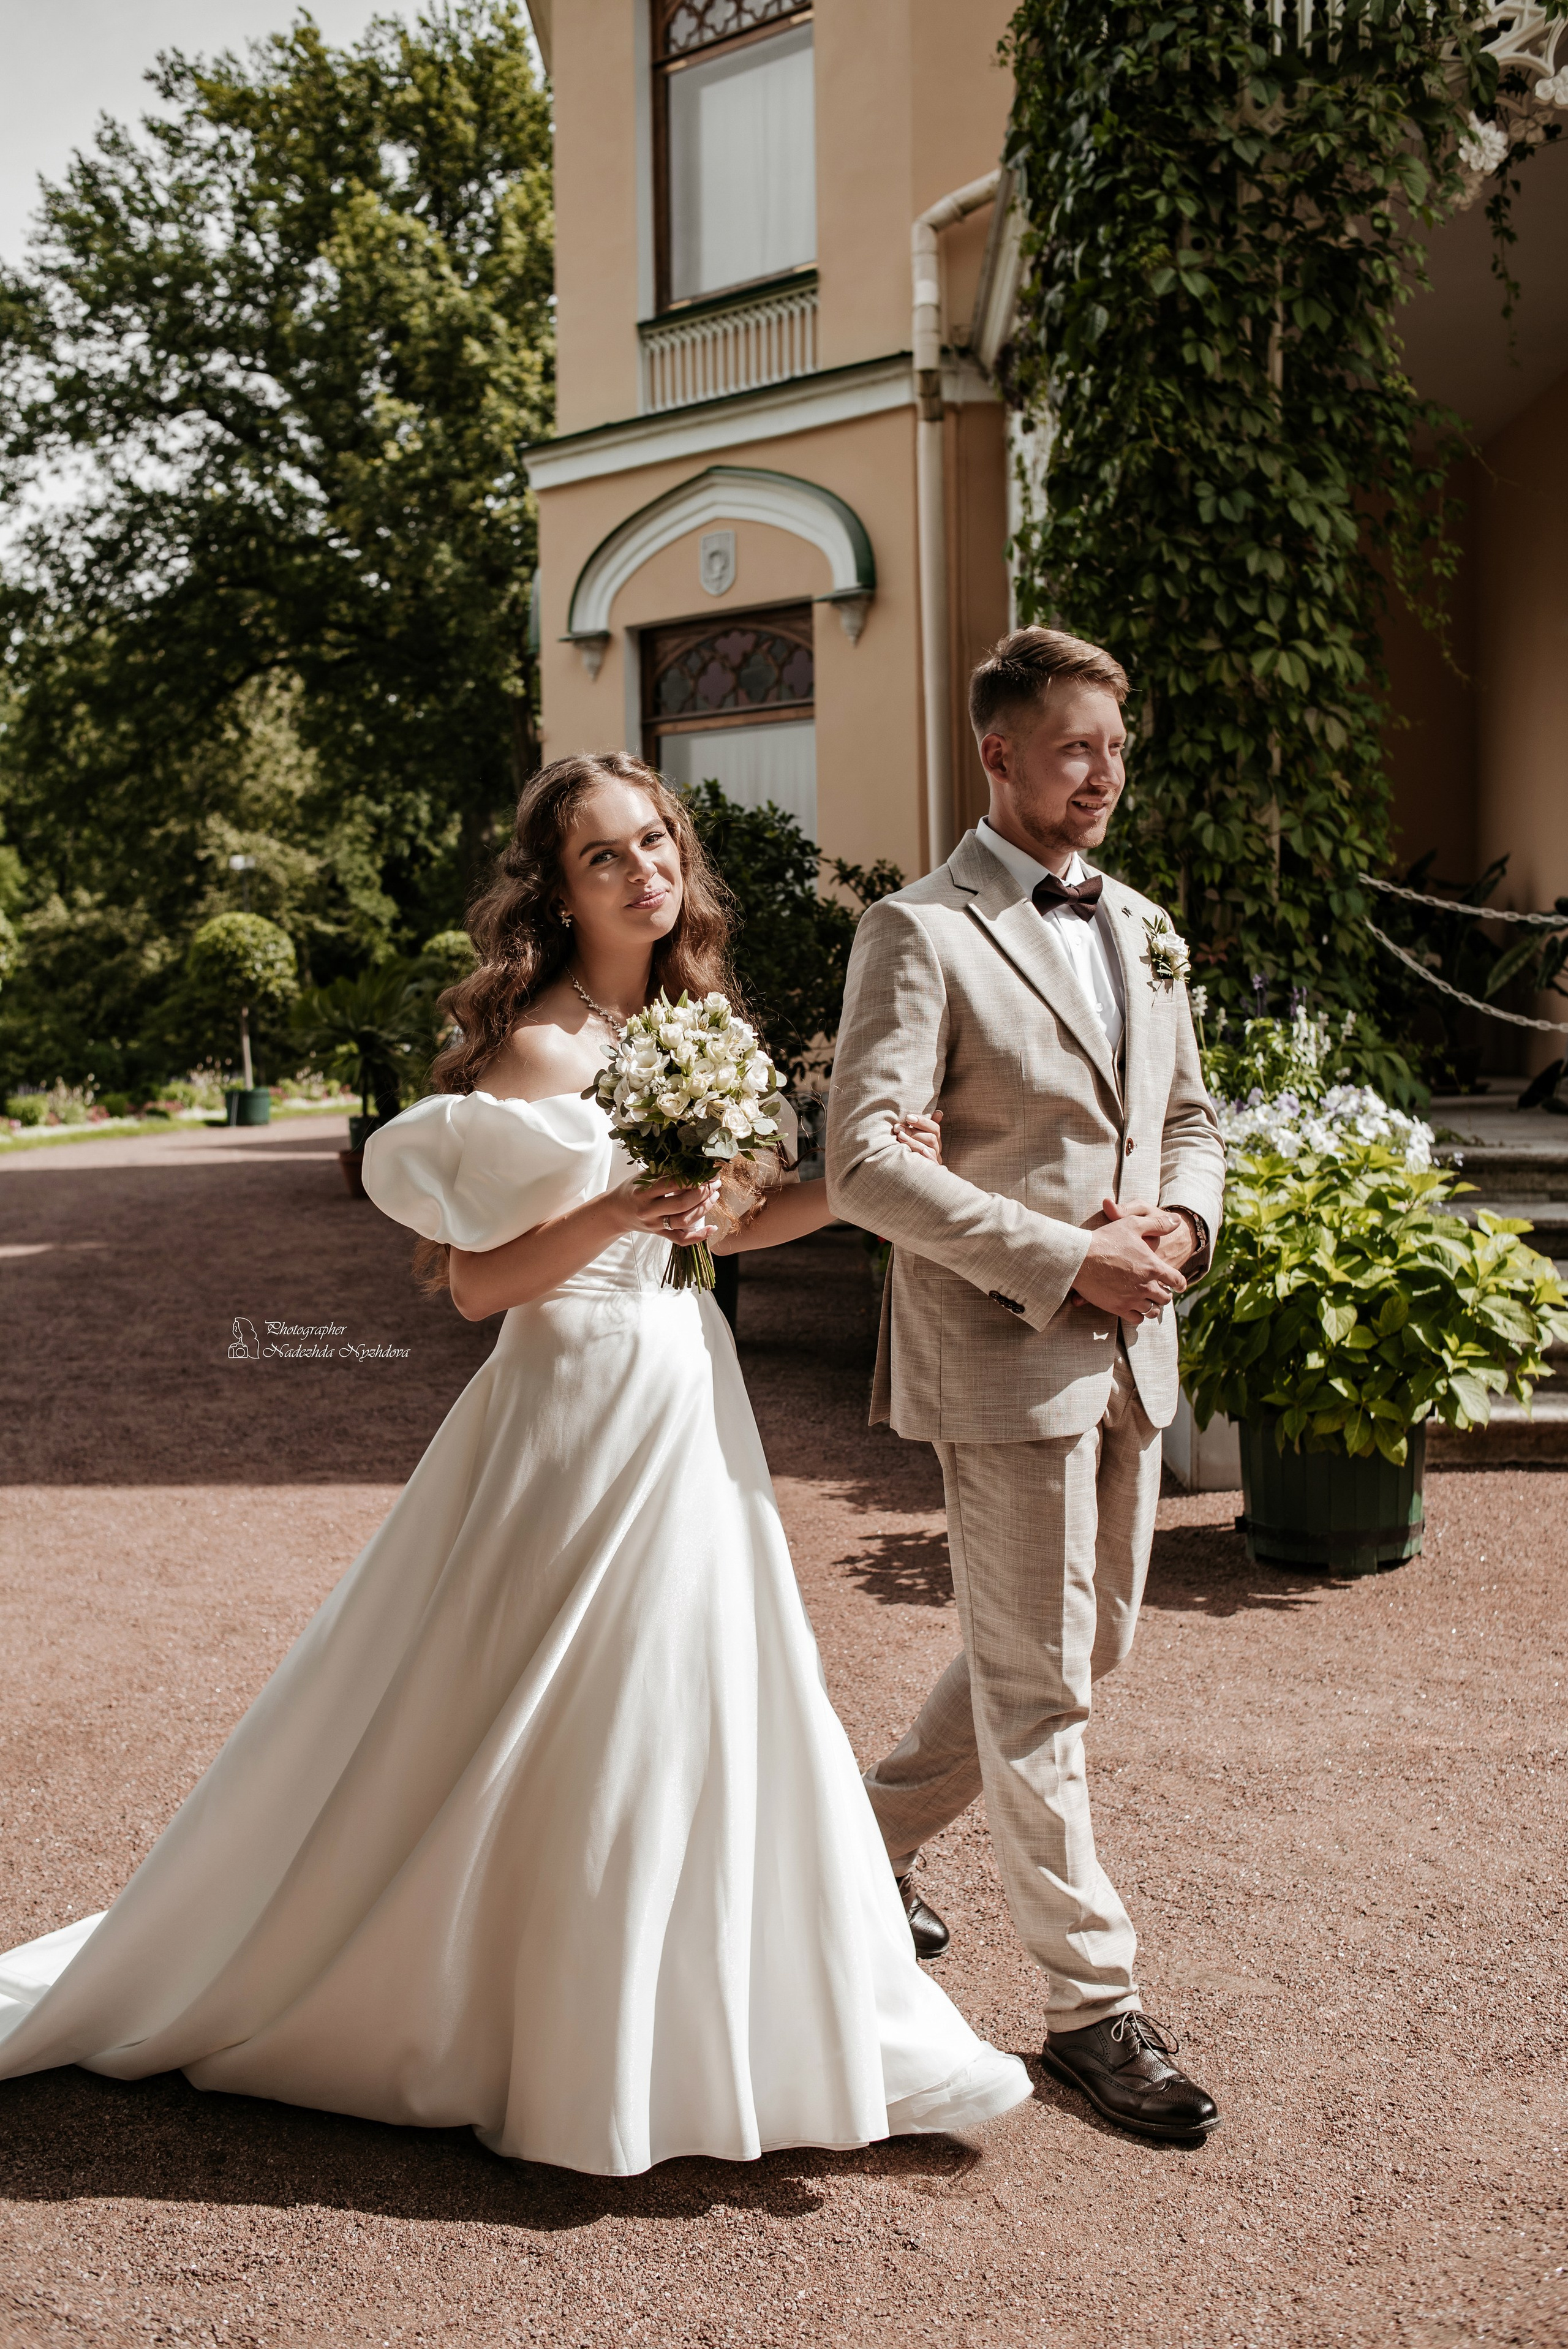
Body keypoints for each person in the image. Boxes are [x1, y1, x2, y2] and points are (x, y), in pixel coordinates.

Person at [0, 752, 1031, 2178]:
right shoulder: (535, 1049)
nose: (642, 870)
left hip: (684, 1387)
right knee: (548, 1700)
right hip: (572, 1397)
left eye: (654, 841)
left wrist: (860, 1187)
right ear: (556, 887)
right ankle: (539, 2029)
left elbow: (717, 1230)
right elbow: (482, 1289)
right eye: (602, 854)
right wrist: (615, 1202)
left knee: (698, 1694)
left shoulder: (696, 1019)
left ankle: (703, 2024)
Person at [826, 628, 1227, 2144]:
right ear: (995, 754)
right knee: (1043, 1682)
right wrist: (1070, 1258)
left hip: (1133, 1348)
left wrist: (1182, 1219)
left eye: (1115, 747)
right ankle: (1088, 2011)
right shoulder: (915, 932)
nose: (1105, 773)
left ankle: (858, 1847)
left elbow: (1189, 1117)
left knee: (1082, 1642)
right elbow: (859, 1163)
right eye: (1074, 748)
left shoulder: (1142, 920)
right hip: (1004, 1350)